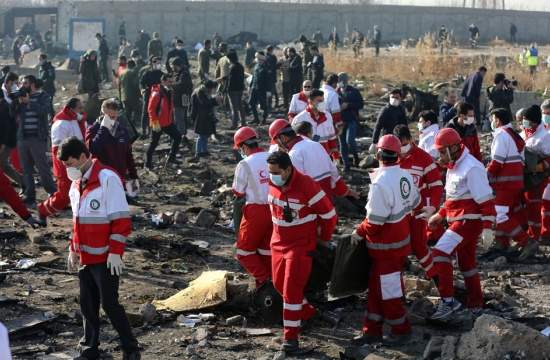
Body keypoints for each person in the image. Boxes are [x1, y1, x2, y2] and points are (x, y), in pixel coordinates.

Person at [58, 137, 140, 360]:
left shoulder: (107, 179)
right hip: (86, 257)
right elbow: (77, 221)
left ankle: (131, 349)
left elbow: (121, 221)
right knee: (88, 305)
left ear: (83, 157)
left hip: (105, 257)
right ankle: (89, 348)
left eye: (70, 163)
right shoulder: (77, 185)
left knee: (110, 305)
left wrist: (115, 251)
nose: (69, 169)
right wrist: (73, 248)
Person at [351, 134, 420, 345]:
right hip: (399, 244)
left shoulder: (380, 183)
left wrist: (359, 232)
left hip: (385, 248)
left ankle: (401, 330)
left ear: (379, 153)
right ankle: (371, 329)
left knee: (389, 291)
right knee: (377, 288)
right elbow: (414, 202)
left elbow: (374, 223)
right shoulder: (404, 175)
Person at [267, 150, 337, 354]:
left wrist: (323, 239)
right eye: (270, 172)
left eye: (276, 172)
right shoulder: (274, 182)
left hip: (300, 246)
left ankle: (290, 340)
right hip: (278, 243)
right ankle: (307, 313)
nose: (272, 176)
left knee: (291, 291)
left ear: (288, 169)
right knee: (279, 284)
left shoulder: (307, 185)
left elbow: (329, 215)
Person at [428, 128, 495, 320]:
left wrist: (488, 227)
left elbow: (485, 199)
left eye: (442, 151)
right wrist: (440, 215)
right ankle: (476, 305)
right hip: (460, 220)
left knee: (439, 253)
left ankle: (448, 302)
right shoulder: (455, 165)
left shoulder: (471, 167)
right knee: (467, 265)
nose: (439, 156)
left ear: (453, 148)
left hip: (467, 221)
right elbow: (454, 198)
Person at [487, 108, 536, 260]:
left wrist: (484, 175)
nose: (491, 122)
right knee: (508, 212)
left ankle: (526, 241)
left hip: (505, 183)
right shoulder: (514, 135)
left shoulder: (501, 135)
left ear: (498, 120)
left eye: (493, 119)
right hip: (516, 181)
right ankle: (502, 242)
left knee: (500, 214)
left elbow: (497, 162)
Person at [394, 125, 442, 278]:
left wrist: (432, 206)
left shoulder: (423, 157)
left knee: (419, 245)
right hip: (396, 211)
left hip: (416, 210)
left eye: (404, 144)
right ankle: (398, 277)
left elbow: (436, 185)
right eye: (398, 145)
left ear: (410, 139)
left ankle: (434, 275)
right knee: (396, 245)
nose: (402, 148)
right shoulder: (391, 155)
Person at [269, 119, 356, 201]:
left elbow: (295, 186)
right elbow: (334, 174)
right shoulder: (316, 145)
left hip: (310, 207)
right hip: (327, 201)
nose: (278, 146)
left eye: (277, 142)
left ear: (283, 138)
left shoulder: (294, 154)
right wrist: (345, 191)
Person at [232, 127, 272, 287]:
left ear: (243, 147)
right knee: (266, 250)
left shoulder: (244, 164)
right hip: (276, 208)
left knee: (243, 251)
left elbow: (238, 191)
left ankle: (263, 279)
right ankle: (270, 286)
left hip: (256, 210)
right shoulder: (272, 156)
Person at [38, 98, 86, 220]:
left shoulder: (75, 121)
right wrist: (66, 166)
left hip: (78, 163)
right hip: (66, 165)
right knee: (64, 196)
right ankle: (43, 210)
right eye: (79, 108)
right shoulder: (60, 124)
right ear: (71, 109)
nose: (82, 111)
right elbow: (57, 151)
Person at [16, 75, 57, 205]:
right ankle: (30, 195)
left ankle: (52, 193)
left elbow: (44, 111)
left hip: (37, 138)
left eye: (26, 83)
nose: (23, 85)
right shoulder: (20, 97)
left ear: (32, 84)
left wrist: (30, 102)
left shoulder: (43, 96)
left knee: (42, 167)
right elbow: (13, 114)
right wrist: (17, 102)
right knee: (26, 169)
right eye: (22, 83)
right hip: (23, 138)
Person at [86, 99, 139, 197]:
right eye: (109, 117)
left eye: (114, 117)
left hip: (119, 177)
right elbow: (93, 150)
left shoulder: (122, 131)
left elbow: (128, 155)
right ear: (102, 113)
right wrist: (103, 129)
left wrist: (133, 175)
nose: (112, 120)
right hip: (102, 179)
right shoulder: (93, 130)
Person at [521, 104, 550, 250]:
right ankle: (527, 235)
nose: (523, 122)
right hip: (524, 176)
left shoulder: (545, 136)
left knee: (534, 208)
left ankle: (535, 238)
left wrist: (541, 166)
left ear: (534, 121)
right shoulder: (525, 132)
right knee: (525, 207)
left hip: (537, 178)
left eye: (526, 120)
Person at [146, 74, 181, 168]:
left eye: (172, 81)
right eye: (169, 82)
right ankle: (147, 163)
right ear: (163, 81)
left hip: (167, 122)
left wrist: (171, 119)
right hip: (157, 123)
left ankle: (171, 158)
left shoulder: (168, 91)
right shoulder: (157, 93)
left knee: (177, 137)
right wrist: (154, 122)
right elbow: (150, 109)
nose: (171, 83)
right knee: (154, 143)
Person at [292, 89, 338, 157]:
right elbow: (294, 141)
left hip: (325, 156)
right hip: (307, 157)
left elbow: (332, 137)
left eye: (323, 101)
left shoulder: (327, 116)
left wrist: (335, 155)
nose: (322, 103)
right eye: (319, 101)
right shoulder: (299, 119)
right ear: (310, 101)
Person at [0, 72, 24, 190]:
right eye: (15, 83)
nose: (16, 85)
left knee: (2, 164)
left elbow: (15, 115)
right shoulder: (2, 94)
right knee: (3, 164)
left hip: (9, 136)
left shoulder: (15, 95)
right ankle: (22, 183)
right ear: (9, 82)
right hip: (4, 135)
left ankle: (21, 183)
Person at [337, 72, 364, 171]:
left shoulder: (354, 91)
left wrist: (348, 105)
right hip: (340, 121)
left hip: (352, 120)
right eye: (340, 80)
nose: (342, 82)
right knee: (342, 143)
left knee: (350, 140)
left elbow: (360, 104)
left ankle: (355, 156)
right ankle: (346, 165)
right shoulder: (335, 92)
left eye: (343, 80)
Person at [191, 80, 219, 158]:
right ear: (208, 87)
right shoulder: (200, 92)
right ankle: (198, 152)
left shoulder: (204, 92)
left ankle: (204, 151)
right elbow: (204, 103)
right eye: (211, 88)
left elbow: (208, 103)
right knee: (201, 135)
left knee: (205, 135)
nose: (211, 90)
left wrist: (216, 101)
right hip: (200, 116)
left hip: (205, 116)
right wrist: (214, 100)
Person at [169, 57, 194, 142]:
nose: (173, 68)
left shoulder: (184, 74)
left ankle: (181, 136)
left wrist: (171, 84)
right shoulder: (179, 73)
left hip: (180, 100)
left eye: (174, 66)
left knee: (179, 118)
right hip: (179, 99)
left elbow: (180, 85)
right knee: (179, 118)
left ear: (177, 66)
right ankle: (180, 135)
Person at [139, 56, 163, 139]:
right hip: (148, 94)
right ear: (153, 63)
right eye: (157, 63)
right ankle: (144, 131)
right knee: (145, 113)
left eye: (160, 63)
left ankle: (154, 130)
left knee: (156, 113)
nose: (159, 65)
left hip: (158, 96)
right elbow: (141, 82)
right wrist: (142, 89)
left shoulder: (161, 74)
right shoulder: (147, 73)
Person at [119, 60, 142, 133]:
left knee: (127, 112)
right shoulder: (132, 73)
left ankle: (127, 128)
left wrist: (120, 96)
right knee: (136, 110)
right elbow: (136, 85)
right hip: (132, 96)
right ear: (134, 65)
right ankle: (135, 128)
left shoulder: (122, 73)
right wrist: (139, 94)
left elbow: (119, 86)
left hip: (124, 96)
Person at [227, 50, 246, 129]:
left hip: (233, 90)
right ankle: (243, 122)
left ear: (230, 59)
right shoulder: (241, 66)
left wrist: (227, 89)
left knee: (234, 107)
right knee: (240, 106)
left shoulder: (232, 67)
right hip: (240, 89)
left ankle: (234, 124)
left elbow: (230, 80)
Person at [249, 51, 269, 125]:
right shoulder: (256, 65)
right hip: (254, 87)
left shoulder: (266, 66)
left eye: (257, 58)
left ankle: (264, 119)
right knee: (251, 103)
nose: (256, 59)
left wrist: (268, 90)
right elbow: (254, 76)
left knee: (263, 105)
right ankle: (256, 118)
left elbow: (268, 79)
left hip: (262, 89)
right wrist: (250, 86)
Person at [265, 45, 279, 110]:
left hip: (269, 77)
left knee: (270, 91)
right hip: (272, 77)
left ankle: (270, 105)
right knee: (272, 90)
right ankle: (275, 103)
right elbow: (274, 67)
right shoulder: (272, 57)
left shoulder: (266, 57)